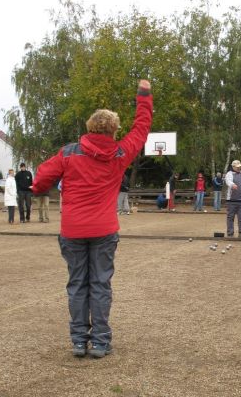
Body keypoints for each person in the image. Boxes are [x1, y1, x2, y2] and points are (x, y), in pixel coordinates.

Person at [31, 79, 153, 358]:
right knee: (100, 284)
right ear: (113, 129)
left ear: (89, 126)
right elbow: (142, 129)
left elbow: (41, 180)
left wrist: (38, 189)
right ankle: (99, 342)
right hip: (104, 229)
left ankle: (78, 341)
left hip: (73, 230)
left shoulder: (69, 153)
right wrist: (144, 96)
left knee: (77, 284)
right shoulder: (120, 153)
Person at [225, 160, 241, 238]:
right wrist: (232, 185)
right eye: (237, 167)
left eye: (239, 167)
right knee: (230, 218)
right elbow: (228, 181)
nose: (239, 168)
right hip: (231, 200)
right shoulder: (229, 174)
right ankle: (230, 234)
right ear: (233, 167)